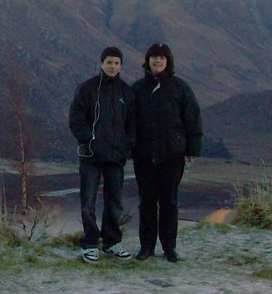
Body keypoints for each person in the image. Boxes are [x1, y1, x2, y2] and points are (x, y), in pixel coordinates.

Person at [132, 42, 202, 262]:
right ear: (148, 60)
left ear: (168, 61)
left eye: (162, 57)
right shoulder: (137, 89)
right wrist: (130, 145)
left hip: (172, 154)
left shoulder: (180, 88)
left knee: (169, 202)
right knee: (147, 202)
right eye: (154, 57)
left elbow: (192, 117)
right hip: (144, 155)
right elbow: (130, 121)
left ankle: (169, 247)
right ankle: (146, 247)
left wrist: (192, 148)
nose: (158, 61)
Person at [68, 46, 135, 263]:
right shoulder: (87, 88)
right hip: (91, 156)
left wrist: (127, 145)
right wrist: (89, 141)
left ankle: (112, 242)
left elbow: (132, 123)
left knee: (114, 202)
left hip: (116, 156)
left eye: (116, 63)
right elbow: (76, 118)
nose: (113, 66)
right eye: (109, 62)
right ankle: (89, 243)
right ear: (101, 63)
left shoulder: (126, 91)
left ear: (121, 65)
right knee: (88, 201)